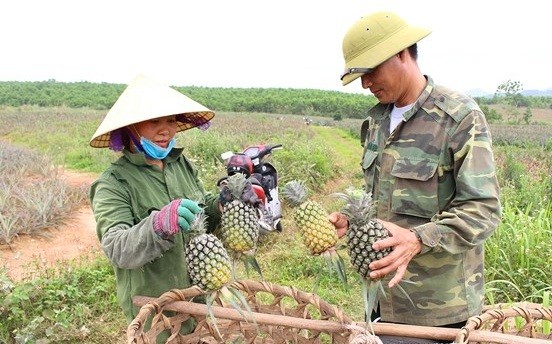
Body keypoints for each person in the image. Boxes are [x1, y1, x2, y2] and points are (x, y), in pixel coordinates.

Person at [330, 11, 501, 342]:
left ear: (401, 53)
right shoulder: (376, 121)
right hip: (380, 296)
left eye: (370, 71)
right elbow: (383, 202)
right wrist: (354, 223)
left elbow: (484, 209)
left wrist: (418, 238)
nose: (365, 84)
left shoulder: (459, 118)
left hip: (437, 310)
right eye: (360, 75)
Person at [88, 74, 258, 333]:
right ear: (130, 127)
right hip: (157, 308)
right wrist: (157, 224)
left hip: (200, 293)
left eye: (171, 120)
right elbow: (117, 249)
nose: (165, 129)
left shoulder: (181, 164)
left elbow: (201, 214)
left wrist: (222, 204)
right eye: (154, 121)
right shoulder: (113, 183)